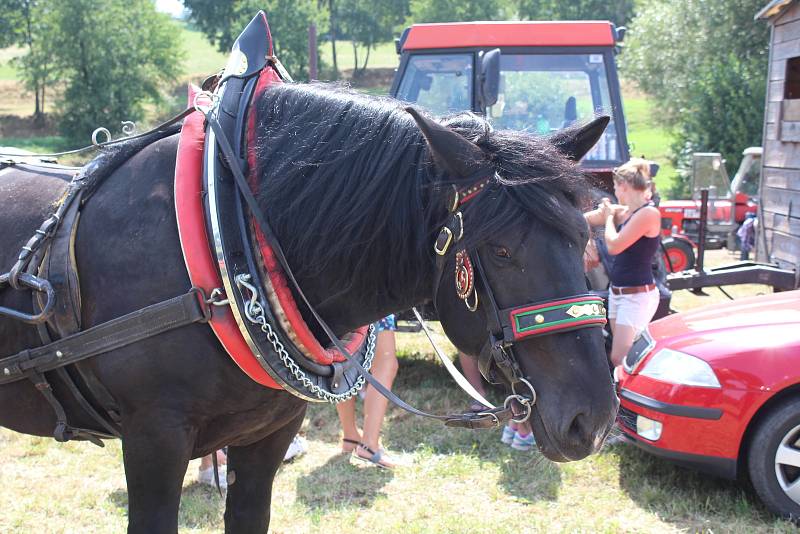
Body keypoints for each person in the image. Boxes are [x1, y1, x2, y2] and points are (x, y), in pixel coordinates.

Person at [584, 159, 662, 373]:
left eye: (616, 186)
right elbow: (586, 219)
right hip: (618, 293)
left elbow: (615, 246)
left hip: (636, 296)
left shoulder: (648, 214)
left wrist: (608, 219)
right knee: (620, 359)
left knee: (621, 357)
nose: (615, 190)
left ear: (624, 186)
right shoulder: (625, 211)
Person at [336, 315, 399, 469]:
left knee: (345, 361)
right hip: (371, 296)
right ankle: (369, 446)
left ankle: (350, 437)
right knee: (385, 364)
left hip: (336, 297)